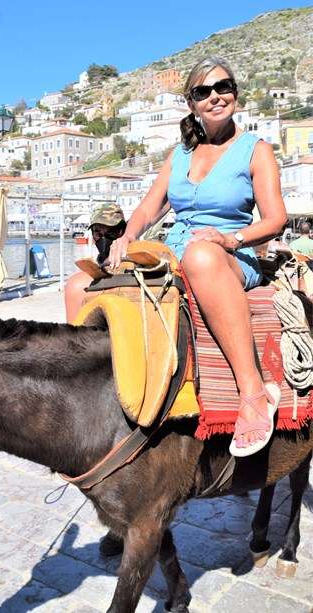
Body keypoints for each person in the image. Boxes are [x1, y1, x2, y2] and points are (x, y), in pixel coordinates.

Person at [108, 56, 287, 457]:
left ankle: (254, 392)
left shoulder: (255, 151)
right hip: (176, 251)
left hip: (229, 254)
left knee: (201, 257)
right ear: (192, 103)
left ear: (235, 94)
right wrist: (128, 236)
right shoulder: (180, 154)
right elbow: (150, 207)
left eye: (223, 87)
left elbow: (276, 219)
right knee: (84, 284)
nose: (215, 97)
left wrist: (230, 239)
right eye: (203, 92)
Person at [64, 203, 126, 323]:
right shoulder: (79, 283)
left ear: (122, 232)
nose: (104, 238)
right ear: (93, 235)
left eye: (111, 232)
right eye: (98, 233)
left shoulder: (136, 269)